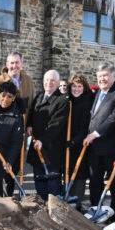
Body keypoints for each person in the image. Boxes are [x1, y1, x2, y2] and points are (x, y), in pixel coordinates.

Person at [83, 62, 115, 219]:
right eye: (100, 76)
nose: (102, 79)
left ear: (113, 76)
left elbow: (114, 118)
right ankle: (96, 209)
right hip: (94, 147)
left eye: (106, 76)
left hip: (110, 146)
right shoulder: (97, 93)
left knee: (114, 182)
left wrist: (95, 133)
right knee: (95, 180)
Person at [26, 70, 70, 199]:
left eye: (52, 80)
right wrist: (29, 125)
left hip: (51, 150)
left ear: (58, 83)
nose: (49, 83)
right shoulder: (39, 96)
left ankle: (52, 212)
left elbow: (56, 124)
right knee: (39, 182)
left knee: (52, 186)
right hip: (37, 147)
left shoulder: (62, 101)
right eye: (47, 80)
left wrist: (43, 140)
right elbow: (32, 114)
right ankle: (41, 210)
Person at [66, 74, 94, 205]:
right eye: (74, 86)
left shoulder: (87, 102)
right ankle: (68, 197)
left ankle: (77, 202)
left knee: (79, 173)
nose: (76, 89)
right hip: (68, 143)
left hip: (81, 142)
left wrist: (74, 141)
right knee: (68, 170)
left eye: (79, 86)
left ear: (84, 88)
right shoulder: (69, 100)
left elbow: (85, 126)